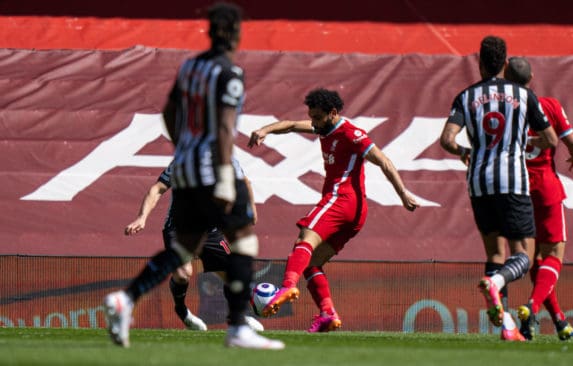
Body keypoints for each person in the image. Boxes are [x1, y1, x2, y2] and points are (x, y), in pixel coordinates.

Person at [104, 3, 284, 349]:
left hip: (185, 168)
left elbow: (169, 111)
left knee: (185, 249)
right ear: (235, 34)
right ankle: (237, 328)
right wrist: (223, 176)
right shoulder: (230, 73)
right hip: (213, 169)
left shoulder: (190, 67)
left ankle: (126, 299)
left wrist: (184, 146)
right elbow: (225, 127)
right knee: (245, 239)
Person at [247, 88, 419, 332]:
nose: (313, 122)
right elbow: (292, 125)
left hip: (342, 199)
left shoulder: (351, 133)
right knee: (311, 264)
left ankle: (286, 287)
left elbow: (383, 160)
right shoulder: (324, 127)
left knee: (303, 241)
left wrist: (402, 193)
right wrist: (265, 130)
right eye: (312, 116)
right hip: (356, 213)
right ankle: (327, 313)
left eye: (317, 117)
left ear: (333, 113)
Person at [439, 35, 558, 341]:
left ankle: (507, 326)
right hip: (513, 182)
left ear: (479, 63)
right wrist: (525, 142)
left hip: (479, 182)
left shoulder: (465, 96)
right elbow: (551, 140)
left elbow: (447, 140)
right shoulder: (524, 95)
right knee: (523, 256)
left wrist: (464, 152)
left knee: (495, 252)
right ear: (505, 63)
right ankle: (496, 284)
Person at [124, 159, 264, 333]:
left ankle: (237, 318)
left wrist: (251, 209)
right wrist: (142, 217)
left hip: (211, 231)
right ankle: (181, 310)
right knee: (183, 274)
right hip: (179, 228)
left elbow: (245, 182)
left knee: (233, 274)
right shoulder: (183, 161)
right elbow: (157, 188)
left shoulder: (229, 160)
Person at [504, 56, 573, 341]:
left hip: (518, 190)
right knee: (553, 255)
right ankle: (531, 306)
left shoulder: (504, 112)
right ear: (532, 76)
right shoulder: (548, 106)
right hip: (546, 189)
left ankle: (559, 320)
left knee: (534, 259)